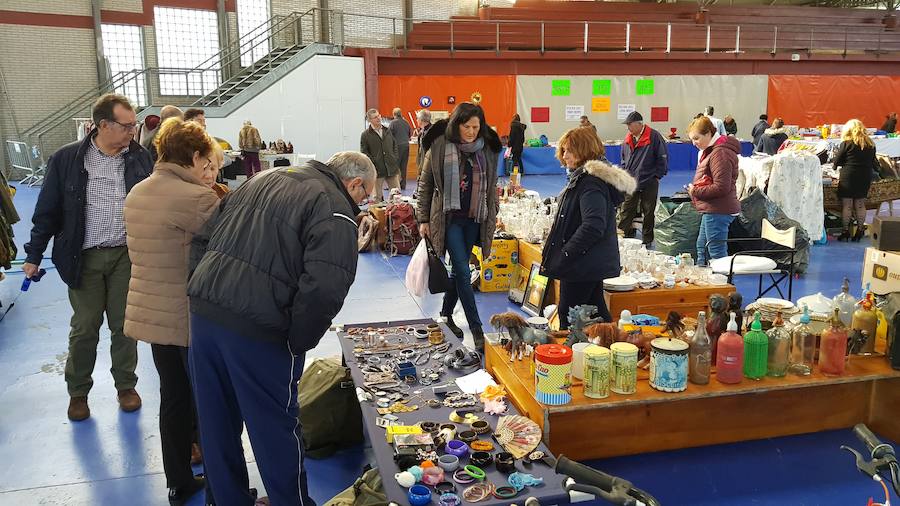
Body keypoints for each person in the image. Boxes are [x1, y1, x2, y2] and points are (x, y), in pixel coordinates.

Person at [187, 152, 375, 506]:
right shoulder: (335, 207)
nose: (363, 204)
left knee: (216, 422)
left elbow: (201, 240)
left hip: (204, 314)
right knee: (275, 428)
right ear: (354, 185)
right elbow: (325, 287)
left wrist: (200, 291)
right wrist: (296, 341)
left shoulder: (260, 180)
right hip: (259, 330)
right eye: (365, 196)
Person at [23, 94, 153, 421]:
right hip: (84, 258)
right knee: (85, 327)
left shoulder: (140, 158)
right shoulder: (67, 160)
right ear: (103, 125)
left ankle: (126, 385)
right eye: (126, 126)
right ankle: (78, 391)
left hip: (126, 255)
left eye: (134, 125)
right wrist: (34, 254)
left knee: (126, 326)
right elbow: (47, 211)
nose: (132, 132)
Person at [123, 118, 219, 505]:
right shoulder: (196, 198)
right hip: (191, 318)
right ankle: (221, 484)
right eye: (206, 161)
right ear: (195, 156)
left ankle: (179, 480)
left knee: (174, 399)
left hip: (154, 316)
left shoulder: (138, 192)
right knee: (210, 402)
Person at [416, 103, 501, 350]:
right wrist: (423, 219)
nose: (472, 131)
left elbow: (492, 186)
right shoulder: (440, 146)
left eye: (477, 126)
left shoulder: (487, 149)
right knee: (464, 272)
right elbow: (425, 185)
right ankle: (476, 327)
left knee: (458, 271)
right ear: (457, 124)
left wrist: (493, 211)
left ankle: (445, 313)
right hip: (448, 218)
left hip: (475, 217)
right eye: (467, 126)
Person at [542, 127, 636, 329]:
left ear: (583, 150)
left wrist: (567, 253)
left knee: (571, 317)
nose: (564, 156)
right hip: (589, 263)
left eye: (568, 150)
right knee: (597, 313)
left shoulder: (590, 182)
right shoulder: (587, 179)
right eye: (563, 150)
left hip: (582, 265)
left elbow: (594, 225)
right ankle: (614, 346)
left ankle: (576, 355)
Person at [687, 116, 741, 266]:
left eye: (696, 138)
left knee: (716, 252)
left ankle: (722, 286)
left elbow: (721, 187)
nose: (694, 143)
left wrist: (695, 191)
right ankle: (704, 283)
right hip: (713, 209)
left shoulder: (719, 153)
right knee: (702, 248)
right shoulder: (714, 151)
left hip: (719, 209)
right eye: (692, 139)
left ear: (708, 134)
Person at [617, 111, 668, 246]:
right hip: (631, 182)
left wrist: (657, 176)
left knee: (649, 212)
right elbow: (623, 159)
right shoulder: (628, 138)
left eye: (630, 125)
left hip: (649, 180)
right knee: (626, 210)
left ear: (639, 124)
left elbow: (662, 157)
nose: (628, 128)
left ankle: (647, 240)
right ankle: (623, 238)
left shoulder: (654, 136)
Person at [833, 119, 877, 242]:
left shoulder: (846, 144)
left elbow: (836, 162)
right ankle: (859, 231)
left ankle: (845, 231)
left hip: (849, 176)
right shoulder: (871, 144)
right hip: (864, 176)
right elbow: (873, 161)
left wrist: (839, 165)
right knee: (860, 205)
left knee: (847, 206)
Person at [361, 108, 401, 202]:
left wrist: (394, 158)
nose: (378, 118)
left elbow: (394, 145)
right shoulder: (365, 135)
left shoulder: (388, 130)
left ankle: (396, 215)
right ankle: (378, 216)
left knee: (397, 195)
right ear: (370, 120)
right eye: (375, 117)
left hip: (392, 168)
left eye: (379, 116)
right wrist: (374, 163)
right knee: (377, 198)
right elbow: (365, 152)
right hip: (377, 170)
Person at [389, 107, 412, 191]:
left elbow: (389, 136)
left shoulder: (393, 123)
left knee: (395, 166)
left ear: (394, 114)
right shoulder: (406, 122)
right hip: (406, 146)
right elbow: (410, 134)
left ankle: (395, 185)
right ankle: (403, 185)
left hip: (397, 147)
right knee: (404, 166)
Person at [415, 109, 433, 178]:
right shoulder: (422, 132)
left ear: (421, 120)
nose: (416, 120)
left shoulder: (430, 133)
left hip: (428, 166)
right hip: (423, 164)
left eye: (417, 119)